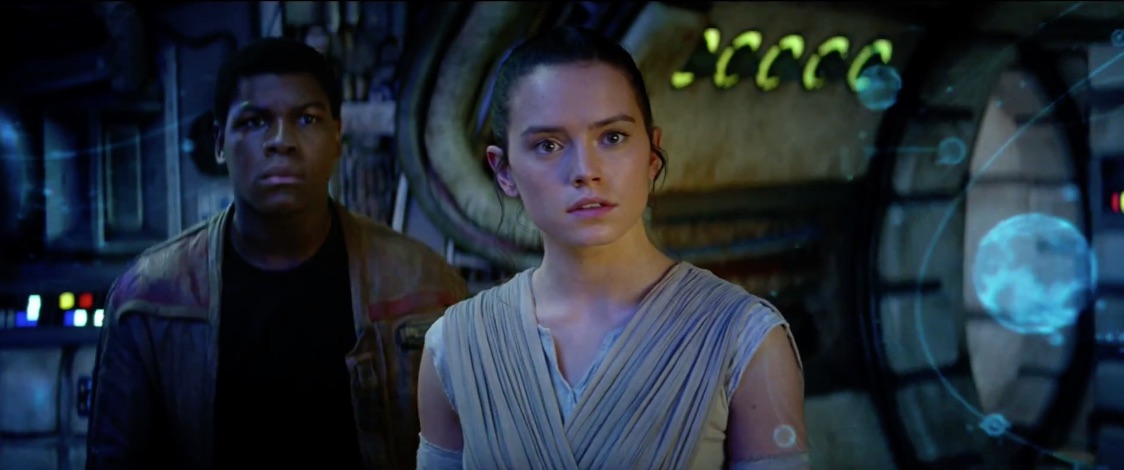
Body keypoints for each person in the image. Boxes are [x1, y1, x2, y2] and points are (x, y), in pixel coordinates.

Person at [415, 27, 810, 470]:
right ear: (503, 171)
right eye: (547, 145)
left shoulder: (743, 339)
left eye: (613, 137)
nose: (585, 170)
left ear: (652, 154)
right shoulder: (456, 346)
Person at [86, 37, 467, 470]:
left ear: (336, 137)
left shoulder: (425, 285)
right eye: (255, 121)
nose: (281, 141)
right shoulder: (148, 298)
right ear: (219, 142)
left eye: (307, 119)